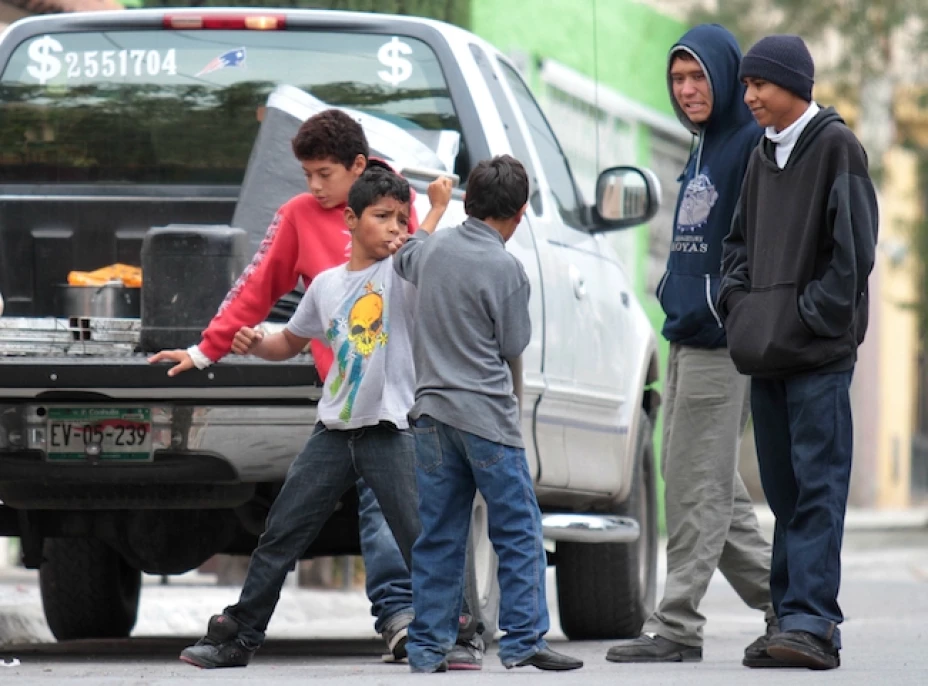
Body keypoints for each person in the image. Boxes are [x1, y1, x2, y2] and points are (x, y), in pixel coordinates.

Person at [148, 109, 479, 664]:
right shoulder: (325, 283)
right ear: (352, 222)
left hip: (392, 428)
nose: (397, 229)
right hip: (335, 428)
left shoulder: (403, 270)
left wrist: (438, 208)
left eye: (402, 220)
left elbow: (420, 247)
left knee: (422, 533)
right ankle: (240, 635)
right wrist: (241, 345)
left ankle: (458, 631)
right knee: (281, 532)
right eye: (383, 219)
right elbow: (290, 337)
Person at [606, 24, 777, 667]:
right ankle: (793, 605)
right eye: (678, 79)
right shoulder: (704, 146)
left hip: (721, 341)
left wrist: (730, 310)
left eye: (698, 76)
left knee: (693, 487)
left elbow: (756, 246)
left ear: (727, 76)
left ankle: (676, 624)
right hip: (687, 334)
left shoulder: (749, 147)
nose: (686, 89)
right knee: (705, 488)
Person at [718, 34, 878, 671]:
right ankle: (789, 618)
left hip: (817, 355)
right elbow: (736, 247)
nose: (750, 96)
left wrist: (811, 317)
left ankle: (813, 621)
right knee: (784, 493)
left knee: (816, 488)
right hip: (768, 352)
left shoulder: (837, 146)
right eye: (748, 85)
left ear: (796, 86)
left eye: (762, 84)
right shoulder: (761, 156)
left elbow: (854, 254)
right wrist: (742, 306)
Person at [394, 155, 583, 673]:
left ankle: (427, 646)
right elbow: (513, 342)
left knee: (439, 534)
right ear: (518, 214)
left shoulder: (430, 251)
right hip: (487, 420)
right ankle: (523, 641)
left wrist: (431, 211)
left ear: (468, 202)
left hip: (431, 415)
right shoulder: (506, 268)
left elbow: (403, 254)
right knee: (517, 529)